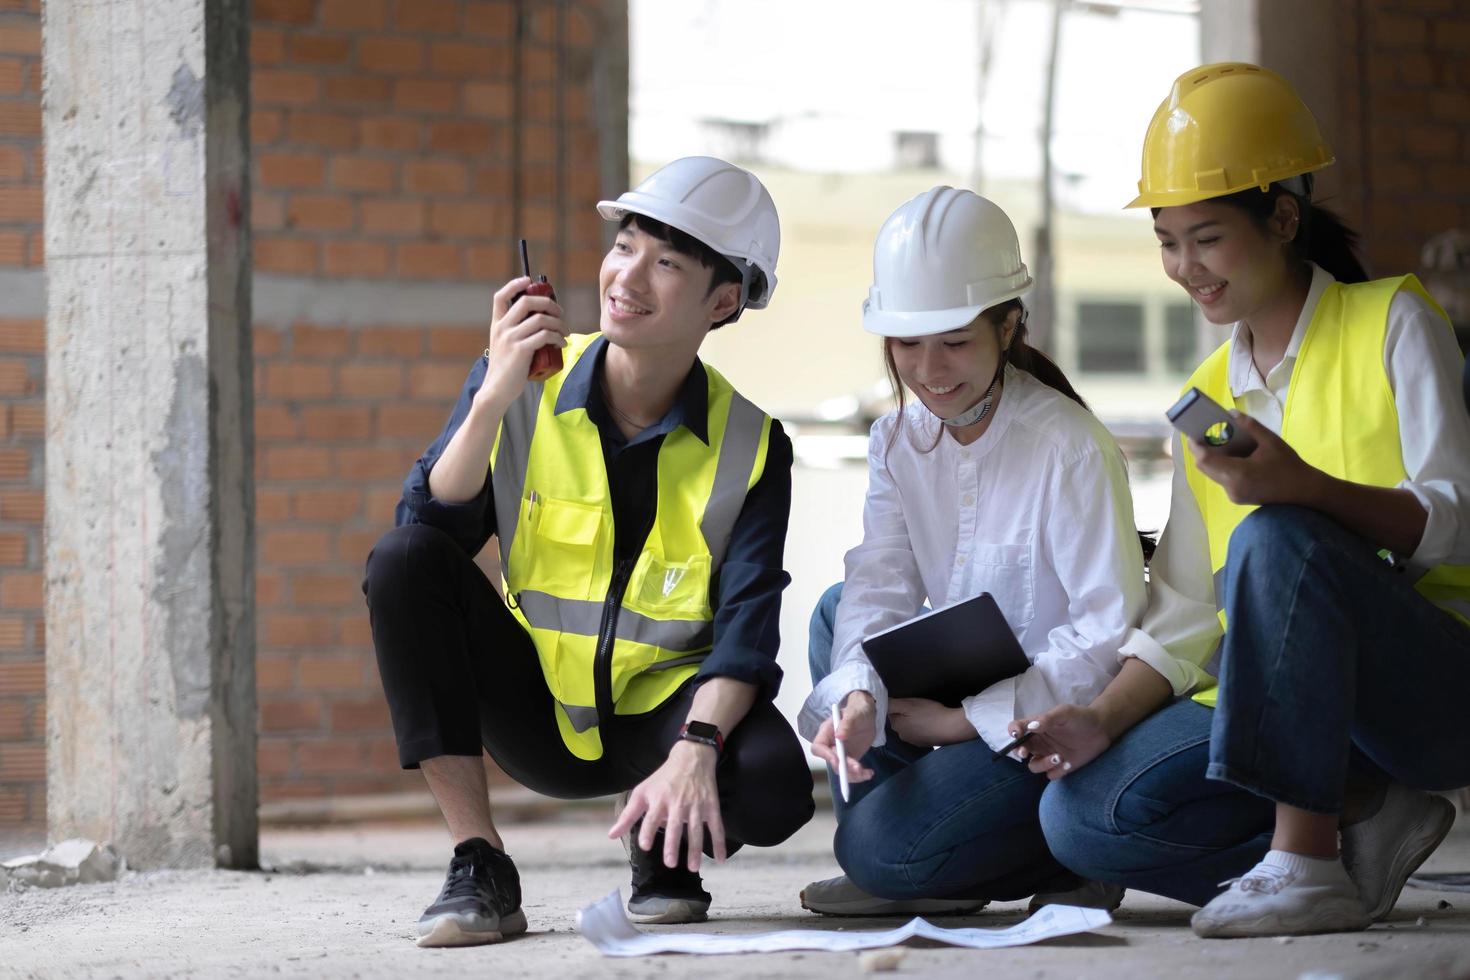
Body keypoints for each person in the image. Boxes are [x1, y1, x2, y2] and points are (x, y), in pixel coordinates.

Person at [1024, 63, 1470, 939]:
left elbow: (1456, 518)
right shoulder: (1208, 391)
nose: (1185, 267)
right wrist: (1099, 717)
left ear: (1284, 219)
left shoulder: (1393, 322)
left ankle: (1305, 859)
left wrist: (1303, 490)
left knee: (1275, 538)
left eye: (1208, 238)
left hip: (1431, 694)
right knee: (1080, 821)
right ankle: (1356, 837)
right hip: (1302, 712)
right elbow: (1188, 608)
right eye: (1167, 240)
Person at [363, 156, 815, 947]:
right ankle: (480, 863)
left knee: (775, 785)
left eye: (666, 261)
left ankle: (662, 841)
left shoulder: (753, 445)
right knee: (400, 562)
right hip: (535, 706)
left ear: (724, 299)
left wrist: (696, 749)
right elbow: (426, 531)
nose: (627, 275)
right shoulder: (525, 382)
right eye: (624, 246)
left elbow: (749, 630)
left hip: (660, 720)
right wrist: (493, 396)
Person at [795, 186, 1150, 916]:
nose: (929, 369)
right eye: (906, 344)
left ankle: (1001, 855)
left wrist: (963, 725)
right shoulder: (897, 440)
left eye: (955, 341)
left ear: (1009, 325)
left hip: (1051, 722)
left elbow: (1107, 637)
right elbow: (879, 584)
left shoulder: (1068, 446)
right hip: (963, 684)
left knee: (875, 853)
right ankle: (923, 858)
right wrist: (858, 696)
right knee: (838, 617)